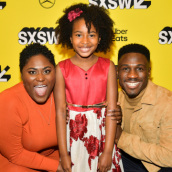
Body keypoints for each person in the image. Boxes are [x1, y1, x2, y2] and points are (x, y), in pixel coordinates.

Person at [54, 3, 124, 172]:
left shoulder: (108, 66)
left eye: (91, 35)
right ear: (70, 38)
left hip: (102, 135)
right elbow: (60, 112)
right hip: (73, 137)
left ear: (100, 38)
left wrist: (108, 151)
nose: (85, 41)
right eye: (79, 35)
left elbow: (111, 111)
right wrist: (63, 154)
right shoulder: (61, 68)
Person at [0, 43, 63, 172]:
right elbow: (15, 154)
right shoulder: (8, 100)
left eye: (46, 71)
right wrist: (57, 167)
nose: (40, 78)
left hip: (52, 157)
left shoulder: (62, 95)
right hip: (15, 163)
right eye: (32, 72)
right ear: (22, 75)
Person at [115, 43, 172, 172]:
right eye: (126, 69)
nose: (132, 75)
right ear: (117, 72)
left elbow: (170, 156)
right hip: (125, 160)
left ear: (149, 72)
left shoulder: (167, 103)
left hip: (157, 168)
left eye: (139, 69)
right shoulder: (113, 100)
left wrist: (121, 137)